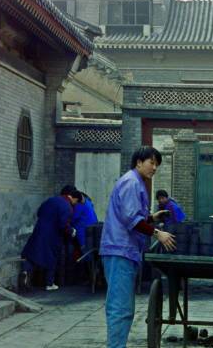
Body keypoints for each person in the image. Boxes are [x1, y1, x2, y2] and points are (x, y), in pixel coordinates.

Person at [100, 146, 176, 348]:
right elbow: (130, 219)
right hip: (120, 251)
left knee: (124, 307)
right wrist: (157, 233)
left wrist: (152, 218)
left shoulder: (137, 183)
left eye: (157, 164)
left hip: (126, 251)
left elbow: (134, 216)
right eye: (152, 162)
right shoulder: (131, 182)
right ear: (138, 162)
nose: (154, 168)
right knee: (120, 308)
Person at [21, 185, 81, 291]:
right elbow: (63, 224)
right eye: (76, 201)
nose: (76, 204)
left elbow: (39, 212)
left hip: (39, 230)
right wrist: (72, 231)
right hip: (52, 235)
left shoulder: (51, 200)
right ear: (72, 197)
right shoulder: (67, 207)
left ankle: (25, 271)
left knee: (33, 254)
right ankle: (49, 283)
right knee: (52, 257)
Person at [71, 192, 99, 260]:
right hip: (92, 231)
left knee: (86, 256)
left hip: (84, 233)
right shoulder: (88, 203)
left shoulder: (79, 205)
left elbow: (72, 219)